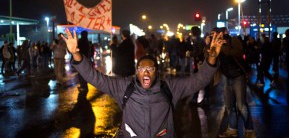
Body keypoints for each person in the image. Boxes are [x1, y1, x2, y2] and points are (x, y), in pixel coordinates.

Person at [61, 28, 225, 138]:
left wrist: (211, 58)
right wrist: (76, 54)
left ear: (157, 72)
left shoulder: (169, 88)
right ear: (137, 72)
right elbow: (94, 77)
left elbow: (199, 80)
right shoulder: (124, 87)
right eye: (141, 69)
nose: (146, 72)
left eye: (150, 69)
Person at [217, 28, 256, 138]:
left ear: (223, 33)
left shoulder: (233, 41)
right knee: (229, 106)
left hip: (238, 76)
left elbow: (237, 52)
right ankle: (232, 129)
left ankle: (250, 131)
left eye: (215, 34)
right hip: (227, 77)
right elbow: (209, 57)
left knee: (241, 105)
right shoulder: (214, 44)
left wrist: (222, 46)